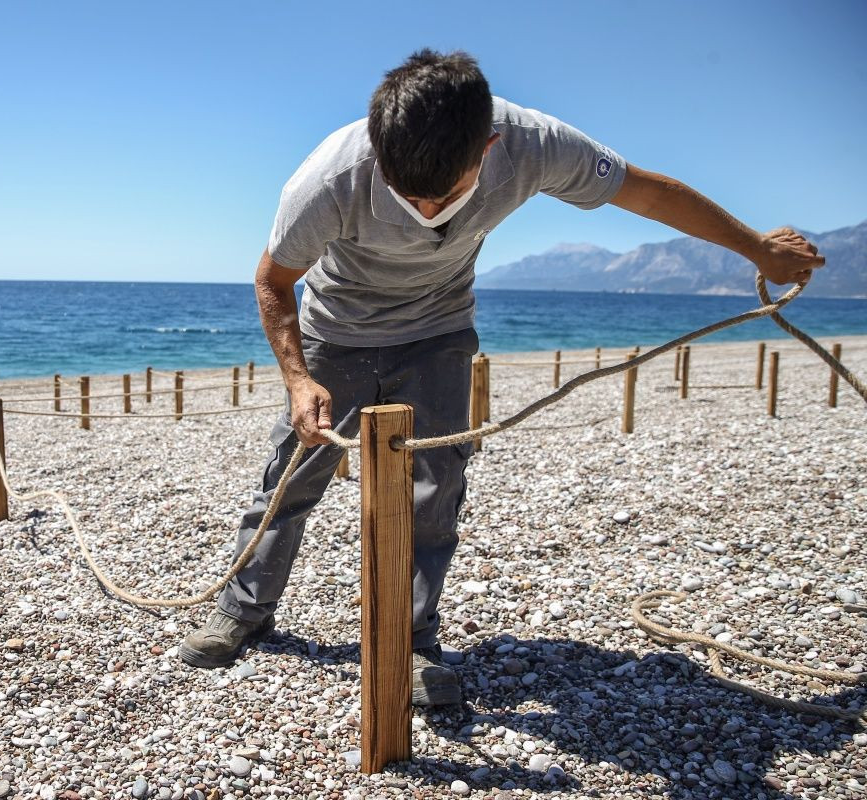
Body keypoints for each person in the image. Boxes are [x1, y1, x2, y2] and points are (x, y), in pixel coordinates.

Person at [176, 49, 824, 706]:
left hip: (438, 329)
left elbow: (648, 194)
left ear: (488, 147)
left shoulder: (536, 145)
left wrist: (760, 251)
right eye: (408, 192)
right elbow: (273, 281)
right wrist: (296, 380)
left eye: (447, 193)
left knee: (437, 488)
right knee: (291, 473)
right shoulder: (326, 180)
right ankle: (244, 608)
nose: (428, 208)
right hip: (335, 331)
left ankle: (413, 637)